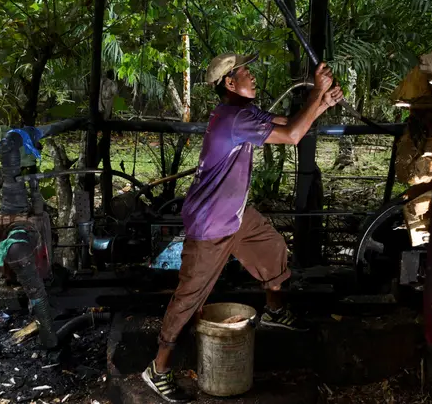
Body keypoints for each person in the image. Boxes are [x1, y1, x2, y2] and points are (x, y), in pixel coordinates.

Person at [142, 52, 343, 402]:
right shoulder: (233, 119)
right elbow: (294, 135)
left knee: (273, 248)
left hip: (234, 213)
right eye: (246, 72)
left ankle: (275, 311)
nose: (253, 76)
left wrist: (322, 102)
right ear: (231, 84)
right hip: (211, 222)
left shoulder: (244, 113)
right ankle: (157, 369)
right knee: (190, 297)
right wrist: (316, 96)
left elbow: (288, 121)